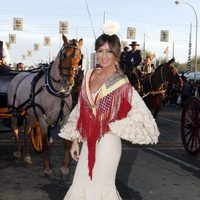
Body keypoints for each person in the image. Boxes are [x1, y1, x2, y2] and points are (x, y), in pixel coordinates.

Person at [59, 20, 160, 200]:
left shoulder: (122, 84)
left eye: (109, 51)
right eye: (100, 51)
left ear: (117, 54)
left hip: (108, 144)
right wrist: (75, 139)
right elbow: (80, 108)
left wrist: (112, 125)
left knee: (100, 190)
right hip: (87, 143)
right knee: (80, 186)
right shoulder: (89, 75)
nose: (103, 56)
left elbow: (145, 120)